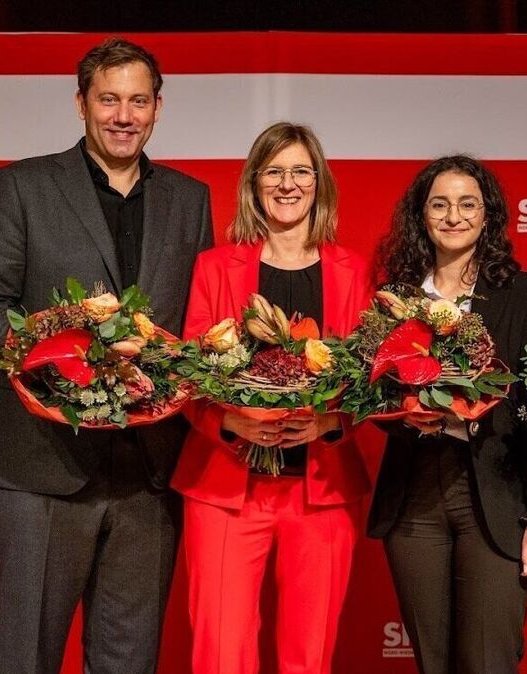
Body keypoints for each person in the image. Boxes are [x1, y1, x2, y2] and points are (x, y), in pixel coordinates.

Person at [0, 37, 213, 674]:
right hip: (43, 464)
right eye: (108, 99)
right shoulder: (21, 185)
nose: (122, 115)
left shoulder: (191, 198)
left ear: (157, 109)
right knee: (26, 657)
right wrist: (65, 356)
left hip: (149, 472)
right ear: (81, 104)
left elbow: (202, 323)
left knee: (130, 660)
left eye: (138, 101)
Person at [171, 121, 371, 674]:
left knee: (309, 657)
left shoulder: (352, 271)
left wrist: (328, 420)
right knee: (220, 654)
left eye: (301, 171)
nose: (288, 184)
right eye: (274, 171)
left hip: (321, 489)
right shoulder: (215, 267)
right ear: (254, 183)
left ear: (319, 182)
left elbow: (369, 379)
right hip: (225, 490)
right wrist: (231, 423)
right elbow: (190, 373)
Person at [366, 155, 527, 673]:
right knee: (433, 664)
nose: (454, 216)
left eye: (467, 203)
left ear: (488, 215)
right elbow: (370, 393)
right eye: (440, 204)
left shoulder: (525, 295)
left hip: (497, 492)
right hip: (414, 495)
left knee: (487, 662)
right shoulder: (397, 298)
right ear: (421, 215)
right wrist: (398, 411)